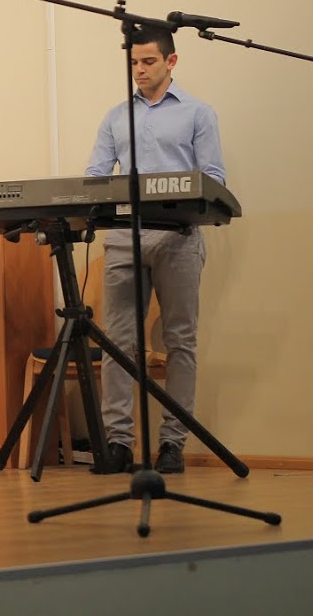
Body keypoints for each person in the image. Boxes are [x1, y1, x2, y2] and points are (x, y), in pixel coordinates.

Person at [85, 24, 224, 475]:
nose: (139, 70)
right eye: (133, 62)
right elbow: (95, 177)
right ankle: (119, 443)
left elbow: (213, 179)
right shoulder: (115, 117)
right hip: (124, 238)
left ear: (171, 61)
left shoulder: (198, 113)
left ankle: (172, 444)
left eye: (148, 61)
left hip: (178, 239)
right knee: (118, 342)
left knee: (180, 340)